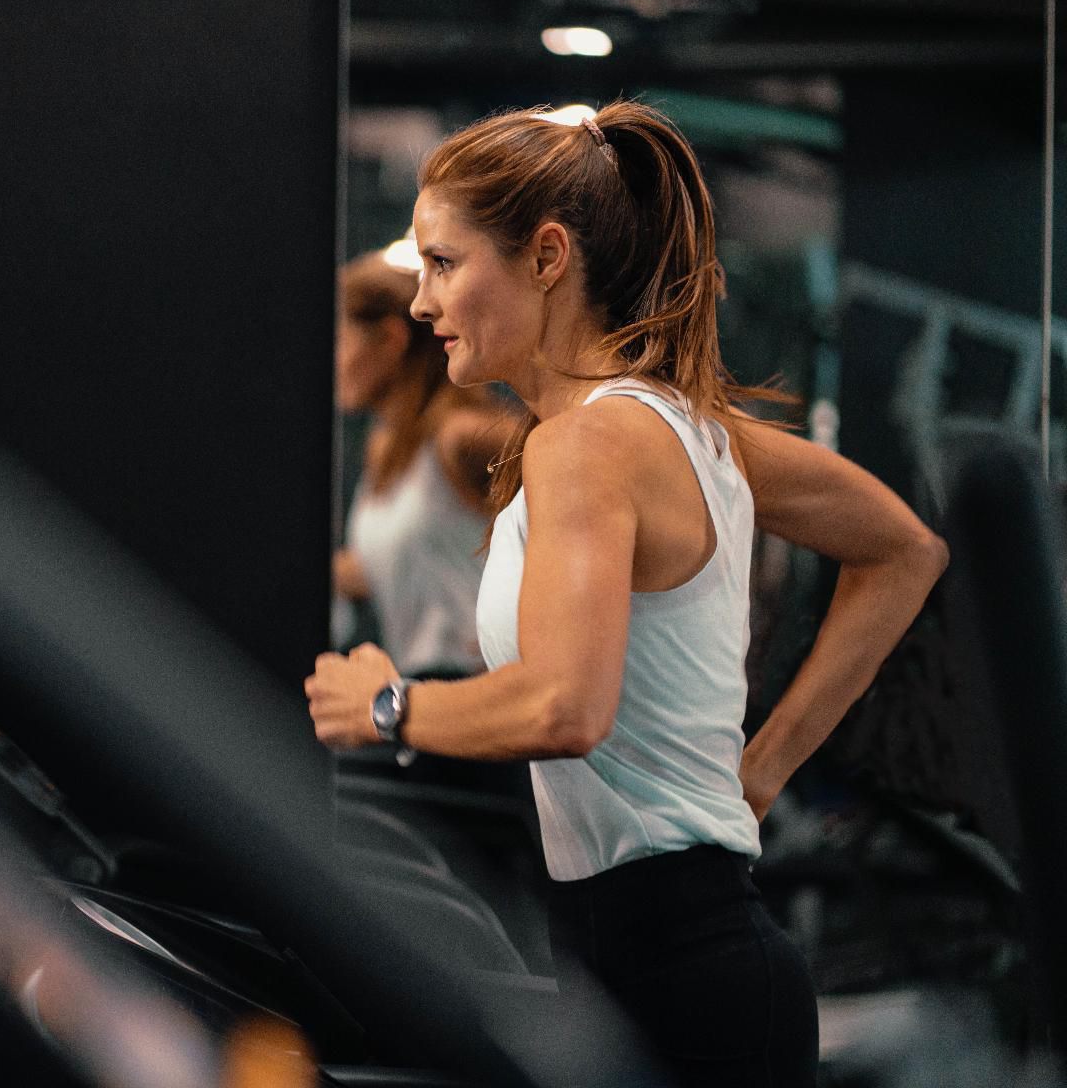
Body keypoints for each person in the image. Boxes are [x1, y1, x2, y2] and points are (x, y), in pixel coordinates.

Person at [304, 102, 948, 1086]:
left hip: (683, 977)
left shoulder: (592, 440)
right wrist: (758, 769)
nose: (423, 304)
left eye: (443, 264)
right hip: (645, 960)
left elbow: (568, 706)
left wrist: (389, 707)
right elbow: (901, 549)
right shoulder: (672, 430)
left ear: (546, 257)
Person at [334, 246, 512, 681]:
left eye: (339, 340)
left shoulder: (462, 436)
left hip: (482, 685)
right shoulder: (385, 447)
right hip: (418, 687)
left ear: (391, 341)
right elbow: (389, 565)